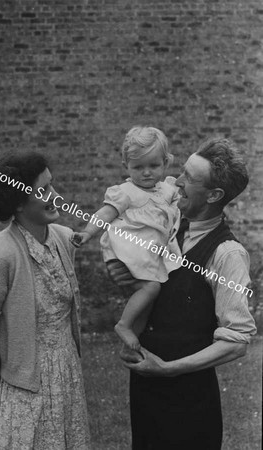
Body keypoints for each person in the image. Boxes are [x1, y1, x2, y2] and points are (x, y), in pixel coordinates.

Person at [107, 137, 257, 449]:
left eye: (189, 177)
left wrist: (167, 369)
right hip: (146, 393)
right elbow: (160, 297)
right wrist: (127, 282)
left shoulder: (227, 254)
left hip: (190, 405)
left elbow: (238, 339)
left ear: (214, 195)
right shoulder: (167, 227)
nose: (174, 180)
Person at [0, 152, 91, 450]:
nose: (55, 196)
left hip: (69, 376)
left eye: (53, 186)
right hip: (25, 387)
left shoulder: (63, 239)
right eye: (43, 190)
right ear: (18, 203)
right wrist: (11, 377)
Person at [72, 126, 181, 350]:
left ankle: (133, 340)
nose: (147, 172)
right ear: (126, 167)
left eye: (154, 165)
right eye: (138, 167)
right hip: (129, 251)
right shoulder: (125, 192)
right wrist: (87, 232)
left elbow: (180, 207)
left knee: (148, 299)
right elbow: (105, 214)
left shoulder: (167, 190)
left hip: (150, 254)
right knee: (151, 289)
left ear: (166, 164)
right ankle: (123, 325)